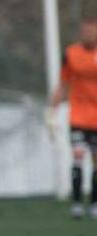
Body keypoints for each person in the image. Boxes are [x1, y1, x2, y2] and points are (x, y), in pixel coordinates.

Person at [49, 17, 97, 219]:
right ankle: (77, 203)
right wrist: (52, 110)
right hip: (77, 116)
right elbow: (63, 83)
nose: (89, 34)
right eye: (85, 31)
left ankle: (94, 204)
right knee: (77, 155)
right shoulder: (71, 54)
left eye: (92, 31)